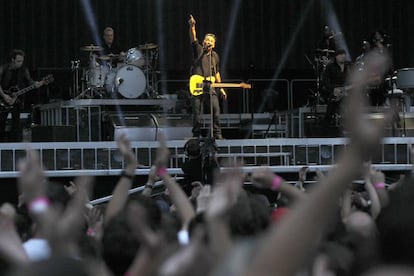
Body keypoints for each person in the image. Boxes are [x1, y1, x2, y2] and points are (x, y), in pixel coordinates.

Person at [188, 14, 227, 140]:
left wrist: (221, 88)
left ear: (214, 44)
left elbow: (217, 73)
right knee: (197, 112)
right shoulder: (199, 50)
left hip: (210, 85)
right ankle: (196, 134)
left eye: (210, 40)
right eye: (206, 39)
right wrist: (192, 26)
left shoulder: (215, 56)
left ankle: (217, 134)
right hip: (198, 84)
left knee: (216, 110)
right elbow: (193, 38)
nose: (208, 42)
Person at [0, 49, 42, 142]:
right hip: (3, 98)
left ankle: (15, 144)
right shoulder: (3, 68)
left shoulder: (24, 70)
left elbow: (29, 81)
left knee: (16, 123)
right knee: (1, 122)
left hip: (17, 99)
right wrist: (4, 96)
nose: (20, 63)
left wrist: (36, 84)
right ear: (12, 60)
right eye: (18, 61)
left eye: (22, 61)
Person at [321, 48, 350, 132]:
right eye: (341, 55)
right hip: (335, 93)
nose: (343, 57)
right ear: (336, 57)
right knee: (329, 113)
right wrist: (333, 89)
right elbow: (325, 81)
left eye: (344, 55)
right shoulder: (330, 66)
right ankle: (324, 134)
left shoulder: (349, 66)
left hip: (347, 93)